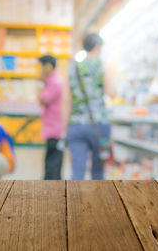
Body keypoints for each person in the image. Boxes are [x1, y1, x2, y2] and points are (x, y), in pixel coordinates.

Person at [62, 33, 117, 180]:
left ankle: (74, 202)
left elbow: (66, 100)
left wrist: (64, 127)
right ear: (98, 47)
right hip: (99, 125)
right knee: (98, 172)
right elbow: (112, 92)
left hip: (76, 125)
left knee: (77, 171)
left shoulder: (72, 67)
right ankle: (96, 202)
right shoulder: (101, 65)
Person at [38, 55, 64, 180]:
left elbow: (43, 100)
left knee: (52, 163)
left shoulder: (54, 82)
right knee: (54, 160)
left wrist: (40, 82)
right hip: (55, 128)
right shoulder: (56, 80)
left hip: (55, 129)